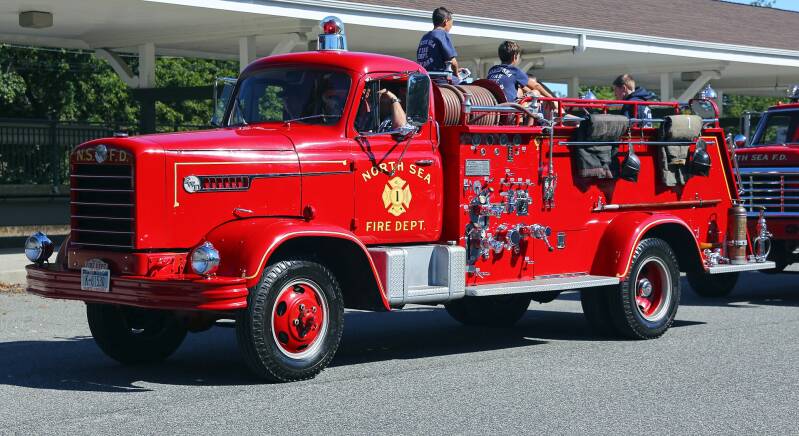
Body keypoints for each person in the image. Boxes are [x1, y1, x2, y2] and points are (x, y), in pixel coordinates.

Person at [487, 40, 554, 103]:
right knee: (536, 92)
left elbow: (522, 87)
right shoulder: (514, 71)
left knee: (520, 90)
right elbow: (536, 86)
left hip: (492, 105)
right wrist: (551, 98)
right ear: (515, 57)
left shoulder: (492, 70)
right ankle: (531, 115)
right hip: (508, 109)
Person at [416, 7, 460, 83]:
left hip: (426, 79)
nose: (451, 27)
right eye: (451, 24)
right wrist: (457, 75)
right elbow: (453, 62)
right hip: (440, 79)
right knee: (467, 86)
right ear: (445, 22)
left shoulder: (425, 37)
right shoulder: (442, 34)